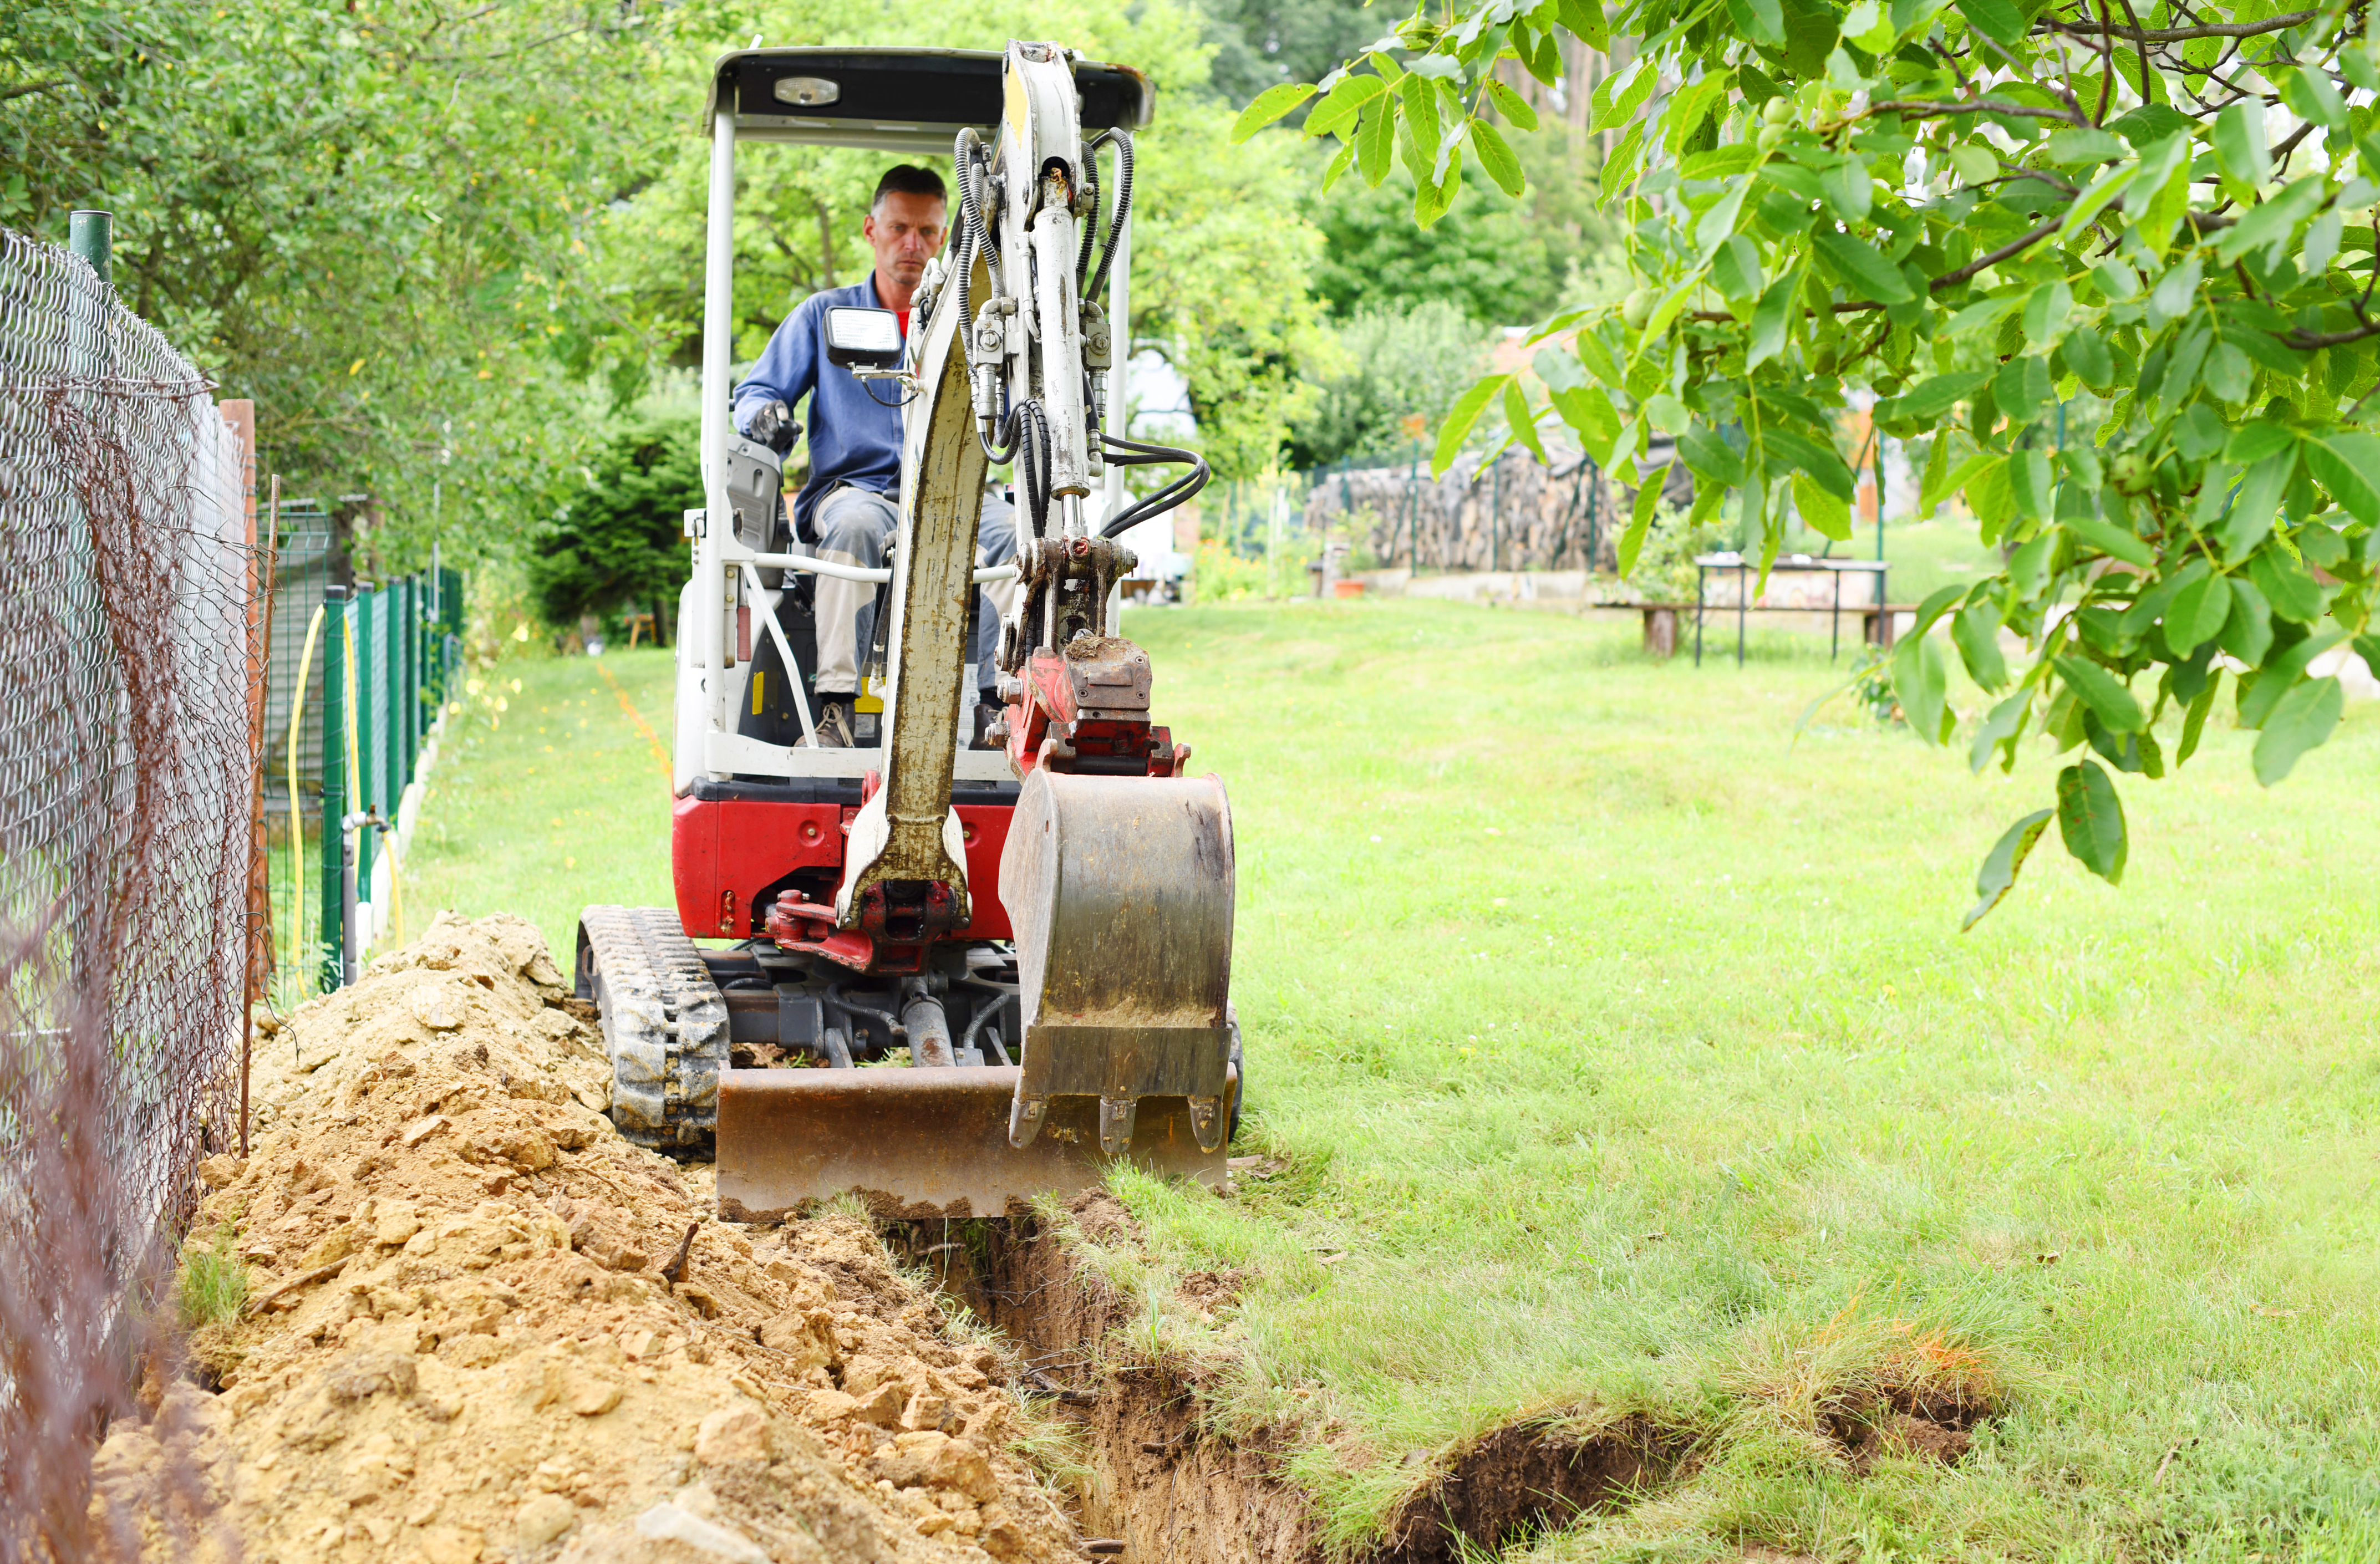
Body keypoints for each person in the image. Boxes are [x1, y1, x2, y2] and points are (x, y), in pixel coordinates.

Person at [733, 165, 1016, 746]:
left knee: (1015, 533)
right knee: (857, 525)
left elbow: (1014, 404)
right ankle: (838, 709)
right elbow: (755, 393)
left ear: (946, 239)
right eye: (898, 229)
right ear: (870, 230)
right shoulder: (824, 316)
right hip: (855, 492)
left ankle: (998, 709)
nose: (912, 245)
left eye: (928, 232)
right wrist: (766, 416)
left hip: (954, 492)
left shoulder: (970, 325)